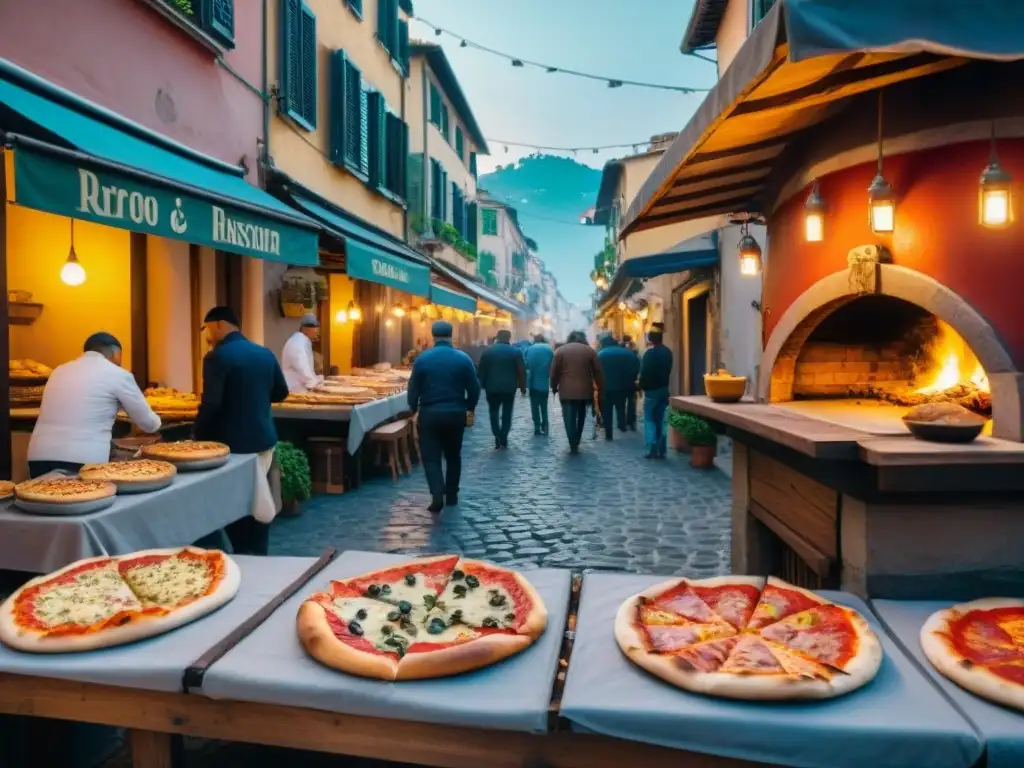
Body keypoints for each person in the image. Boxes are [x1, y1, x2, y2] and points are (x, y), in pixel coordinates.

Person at [194, 306, 290, 555]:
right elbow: (282, 392)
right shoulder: (264, 353)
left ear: (218, 325)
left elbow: (212, 403)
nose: (206, 335)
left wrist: (197, 436)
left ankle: (240, 555)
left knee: (235, 504)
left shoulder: (217, 357)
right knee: (257, 499)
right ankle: (258, 551)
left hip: (231, 444)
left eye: (206, 328)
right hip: (263, 441)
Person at [27, 332, 161, 478]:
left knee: (43, 499)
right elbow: (149, 424)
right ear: (116, 353)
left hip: (38, 457)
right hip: (83, 460)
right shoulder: (118, 374)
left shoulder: (59, 371)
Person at [407, 321, 480, 513]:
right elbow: (474, 389)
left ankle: (437, 494)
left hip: (430, 414)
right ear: (451, 335)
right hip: (456, 414)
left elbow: (413, 389)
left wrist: (413, 407)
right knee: (453, 455)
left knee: (431, 457)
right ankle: (452, 493)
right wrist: (469, 410)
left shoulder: (423, 359)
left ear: (433, 336)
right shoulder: (463, 359)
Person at [550, 330, 603, 454]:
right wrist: (600, 388)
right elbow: (598, 372)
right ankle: (577, 439)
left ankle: (572, 441)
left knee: (568, 416)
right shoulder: (589, 351)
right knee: (581, 415)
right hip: (585, 390)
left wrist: (553, 387)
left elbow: (553, 373)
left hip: (566, 390)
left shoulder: (560, 351)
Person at [478, 329, 526, 449]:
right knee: (507, 412)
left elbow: (481, 371)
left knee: (493, 412)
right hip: (509, 388)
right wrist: (522, 387)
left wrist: (481, 385)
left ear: (497, 337)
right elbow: (521, 371)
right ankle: (504, 435)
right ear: (509, 338)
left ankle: (496, 434)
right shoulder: (516, 352)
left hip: (491, 387)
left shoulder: (488, 352)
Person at [639, 324, 674, 459]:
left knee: (650, 420)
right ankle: (662, 449)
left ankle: (652, 448)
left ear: (651, 340)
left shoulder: (649, 354)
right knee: (661, 420)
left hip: (651, 391)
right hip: (664, 389)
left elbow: (644, 373)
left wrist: (641, 385)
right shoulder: (667, 352)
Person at [597, 334, 640, 441]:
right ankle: (621, 425)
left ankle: (608, 433)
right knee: (621, 406)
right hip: (624, 386)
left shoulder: (601, 354)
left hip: (607, 387)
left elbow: (596, 371)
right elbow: (636, 367)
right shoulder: (628, 353)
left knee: (607, 409)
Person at [281, 313, 323, 393]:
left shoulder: (302, 341)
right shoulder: (297, 342)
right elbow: (301, 367)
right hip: (295, 389)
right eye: (315, 329)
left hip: (300, 388)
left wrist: (316, 380)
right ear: (306, 329)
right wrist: (313, 382)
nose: (317, 332)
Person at [524, 333, 554, 436]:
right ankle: (545, 425)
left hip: (532, 384)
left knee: (534, 406)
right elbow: (552, 366)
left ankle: (536, 426)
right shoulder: (549, 349)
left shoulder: (529, 349)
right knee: (544, 406)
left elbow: (526, 365)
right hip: (544, 384)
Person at [622, 334, 640, 431]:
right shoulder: (634, 352)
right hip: (632, 380)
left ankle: (625, 421)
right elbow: (638, 365)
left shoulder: (621, 352)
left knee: (624, 402)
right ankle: (630, 421)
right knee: (631, 402)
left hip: (623, 380)